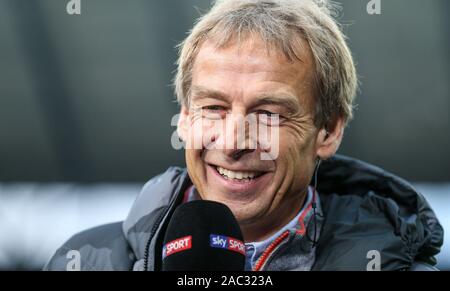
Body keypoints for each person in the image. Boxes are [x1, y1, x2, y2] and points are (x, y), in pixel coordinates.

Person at [44, 0, 443, 271]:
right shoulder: (82, 261)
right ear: (184, 119)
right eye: (213, 108)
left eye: (268, 114)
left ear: (330, 131)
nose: (234, 143)